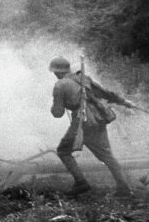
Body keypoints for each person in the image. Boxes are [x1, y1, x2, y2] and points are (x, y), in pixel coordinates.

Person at [49, 56, 136, 196]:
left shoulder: (60, 85)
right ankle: (124, 187)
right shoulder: (84, 79)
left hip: (81, 122)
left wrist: (54, 108)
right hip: (97, 118)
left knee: (63, 151)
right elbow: (106, 93)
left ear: (57, 72)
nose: (54, 74)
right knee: (107, 155)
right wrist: (125, 102)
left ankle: (81, 182)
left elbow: (58, 113)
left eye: (54, 72)